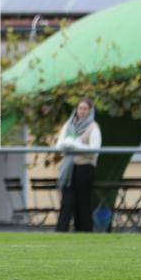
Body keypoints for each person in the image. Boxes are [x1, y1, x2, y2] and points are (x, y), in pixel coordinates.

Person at [55, 98, 102, 232]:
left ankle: (84, 230)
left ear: (90, 111)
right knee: (67, 201)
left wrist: (76, 145)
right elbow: (59, 145)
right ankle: (61, 231)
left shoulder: (93, 127)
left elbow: (95, 150)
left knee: (83, 201)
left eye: (85, 109)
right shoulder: (68, 125)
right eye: (80, 108)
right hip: (69, 168)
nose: (82, 111)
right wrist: (67, 145)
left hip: (85, 167)